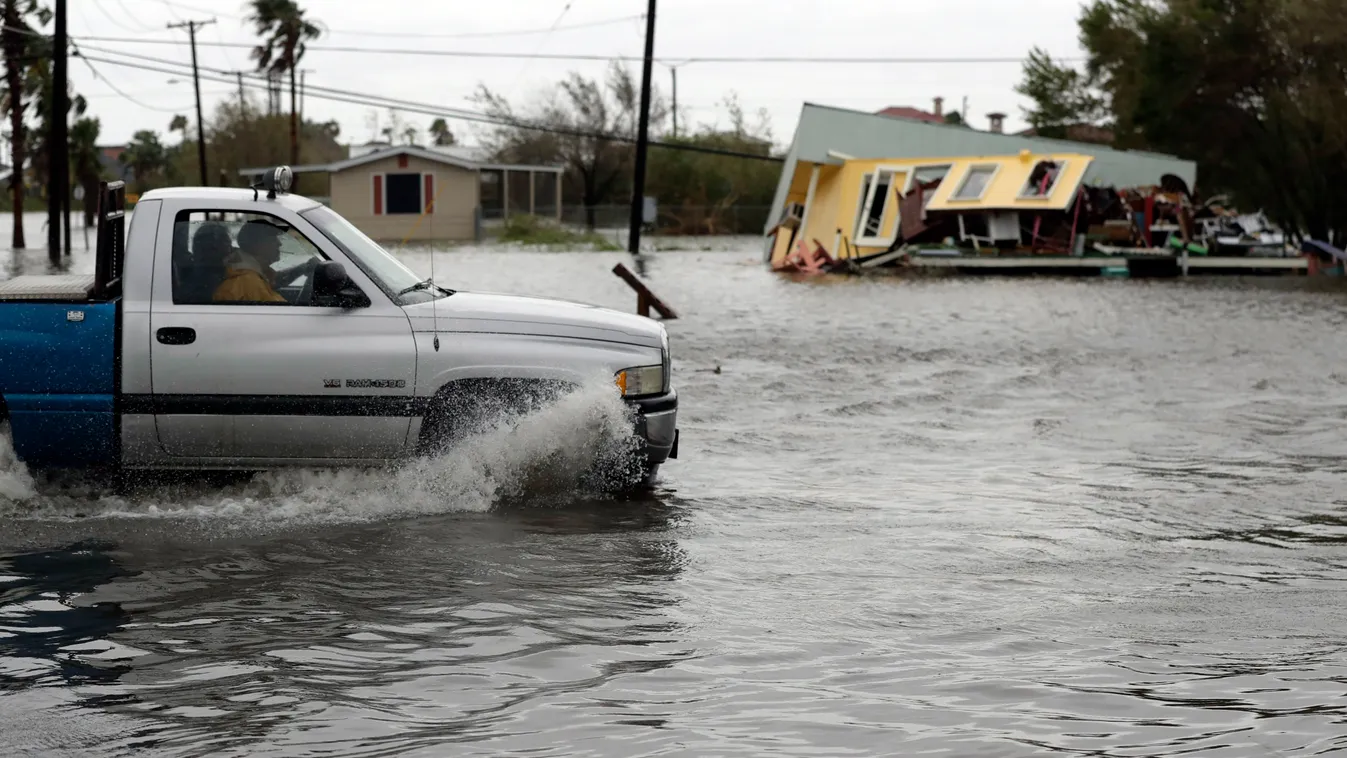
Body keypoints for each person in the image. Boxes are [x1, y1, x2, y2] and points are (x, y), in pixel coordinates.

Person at [213, 219, 288, 303]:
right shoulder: (248, 282)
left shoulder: (253, 276)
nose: (279, 243)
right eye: (273, 239)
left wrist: (301, 269)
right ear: (257, 246)